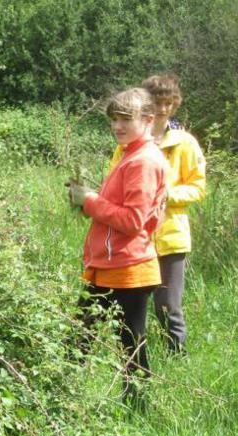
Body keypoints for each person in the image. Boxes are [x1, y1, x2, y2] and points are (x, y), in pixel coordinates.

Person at [68, 88, 168, 405]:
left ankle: (138, 412)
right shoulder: (130, 154)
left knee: (130, 347)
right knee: (79, 340)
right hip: (109, 266)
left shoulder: (143, 161)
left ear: (149, 120)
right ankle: (60, 400)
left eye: (126, 119)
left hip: (129, 269)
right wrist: (87, 201)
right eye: (114, 119)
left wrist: (90, 201)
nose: (117, 126)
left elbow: (132, 220)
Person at [107, 73, 206, 353]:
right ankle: (135, 360)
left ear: (175, 105)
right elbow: (114, 181)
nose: (163, 109)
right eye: (157, 102)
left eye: (168, 103)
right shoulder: (128, 142)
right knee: (131, 306)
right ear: (146, 105)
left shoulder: (184, 142)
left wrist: (167, 195)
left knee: (167, 306)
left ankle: (177, 358)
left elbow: (198, 187)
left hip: (171, 235)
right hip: (136, 237)